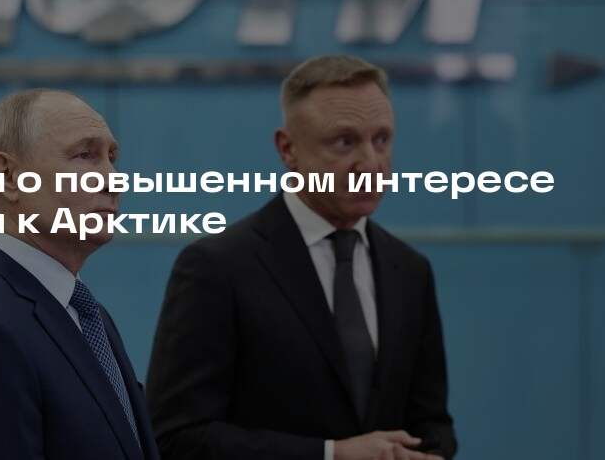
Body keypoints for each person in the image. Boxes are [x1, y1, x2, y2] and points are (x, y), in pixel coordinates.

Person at [146, 55, 457, 460]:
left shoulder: (410, 270)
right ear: (288, 149)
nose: (371, 163)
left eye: (381, 139)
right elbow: (175, 437)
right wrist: (331, 454)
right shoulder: (215, 267)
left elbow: (432, 424)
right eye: (345, 142)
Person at [0, 88, 158, 460]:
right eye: (85, 155)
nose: (114, 180)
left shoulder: (85, 314)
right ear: (9, 176)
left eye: (112, 158)